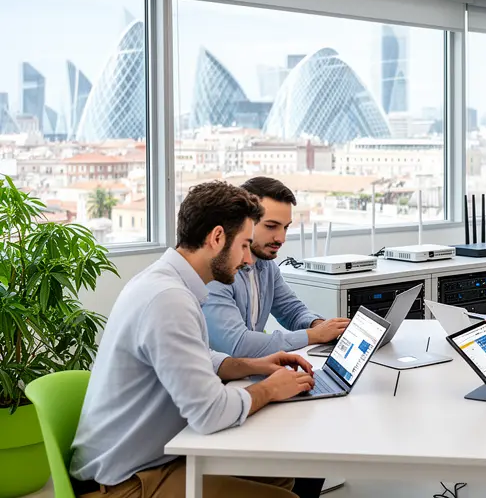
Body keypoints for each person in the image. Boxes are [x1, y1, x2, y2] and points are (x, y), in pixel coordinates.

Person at [70, 181, 323, 498]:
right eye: (244, 245)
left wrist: (250, 365)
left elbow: (196, 356)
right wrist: (270, 389)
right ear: (217, 238)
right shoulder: (168, 300)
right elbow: (210, 414)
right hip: (124, 481)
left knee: (281, 473)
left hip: (149, 459)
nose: (247, 260)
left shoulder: (167, 282)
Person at [203, 177, 349, 358]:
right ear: (244, 222)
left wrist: (318, 325)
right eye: (271, 226)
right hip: (220, 379)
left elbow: (291, 310)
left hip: (246, 371)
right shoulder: (219, 270)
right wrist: (313, 335)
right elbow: (237, 344)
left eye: (286, 228)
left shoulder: (266, 266)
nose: (281, 238)